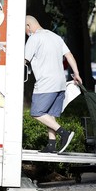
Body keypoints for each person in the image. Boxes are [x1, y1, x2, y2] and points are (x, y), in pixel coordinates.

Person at [24, 15, 83, 153]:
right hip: (61, 83)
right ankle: (51, 144)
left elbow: (24, 60)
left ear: (28, 26)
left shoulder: (34, 38)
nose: (26, 33)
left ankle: (64, 133)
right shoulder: (56, 37)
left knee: (36, 113)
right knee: (50, 114)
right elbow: (69, 55)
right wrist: (77, 73)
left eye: (25, 30)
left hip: (46, 83)